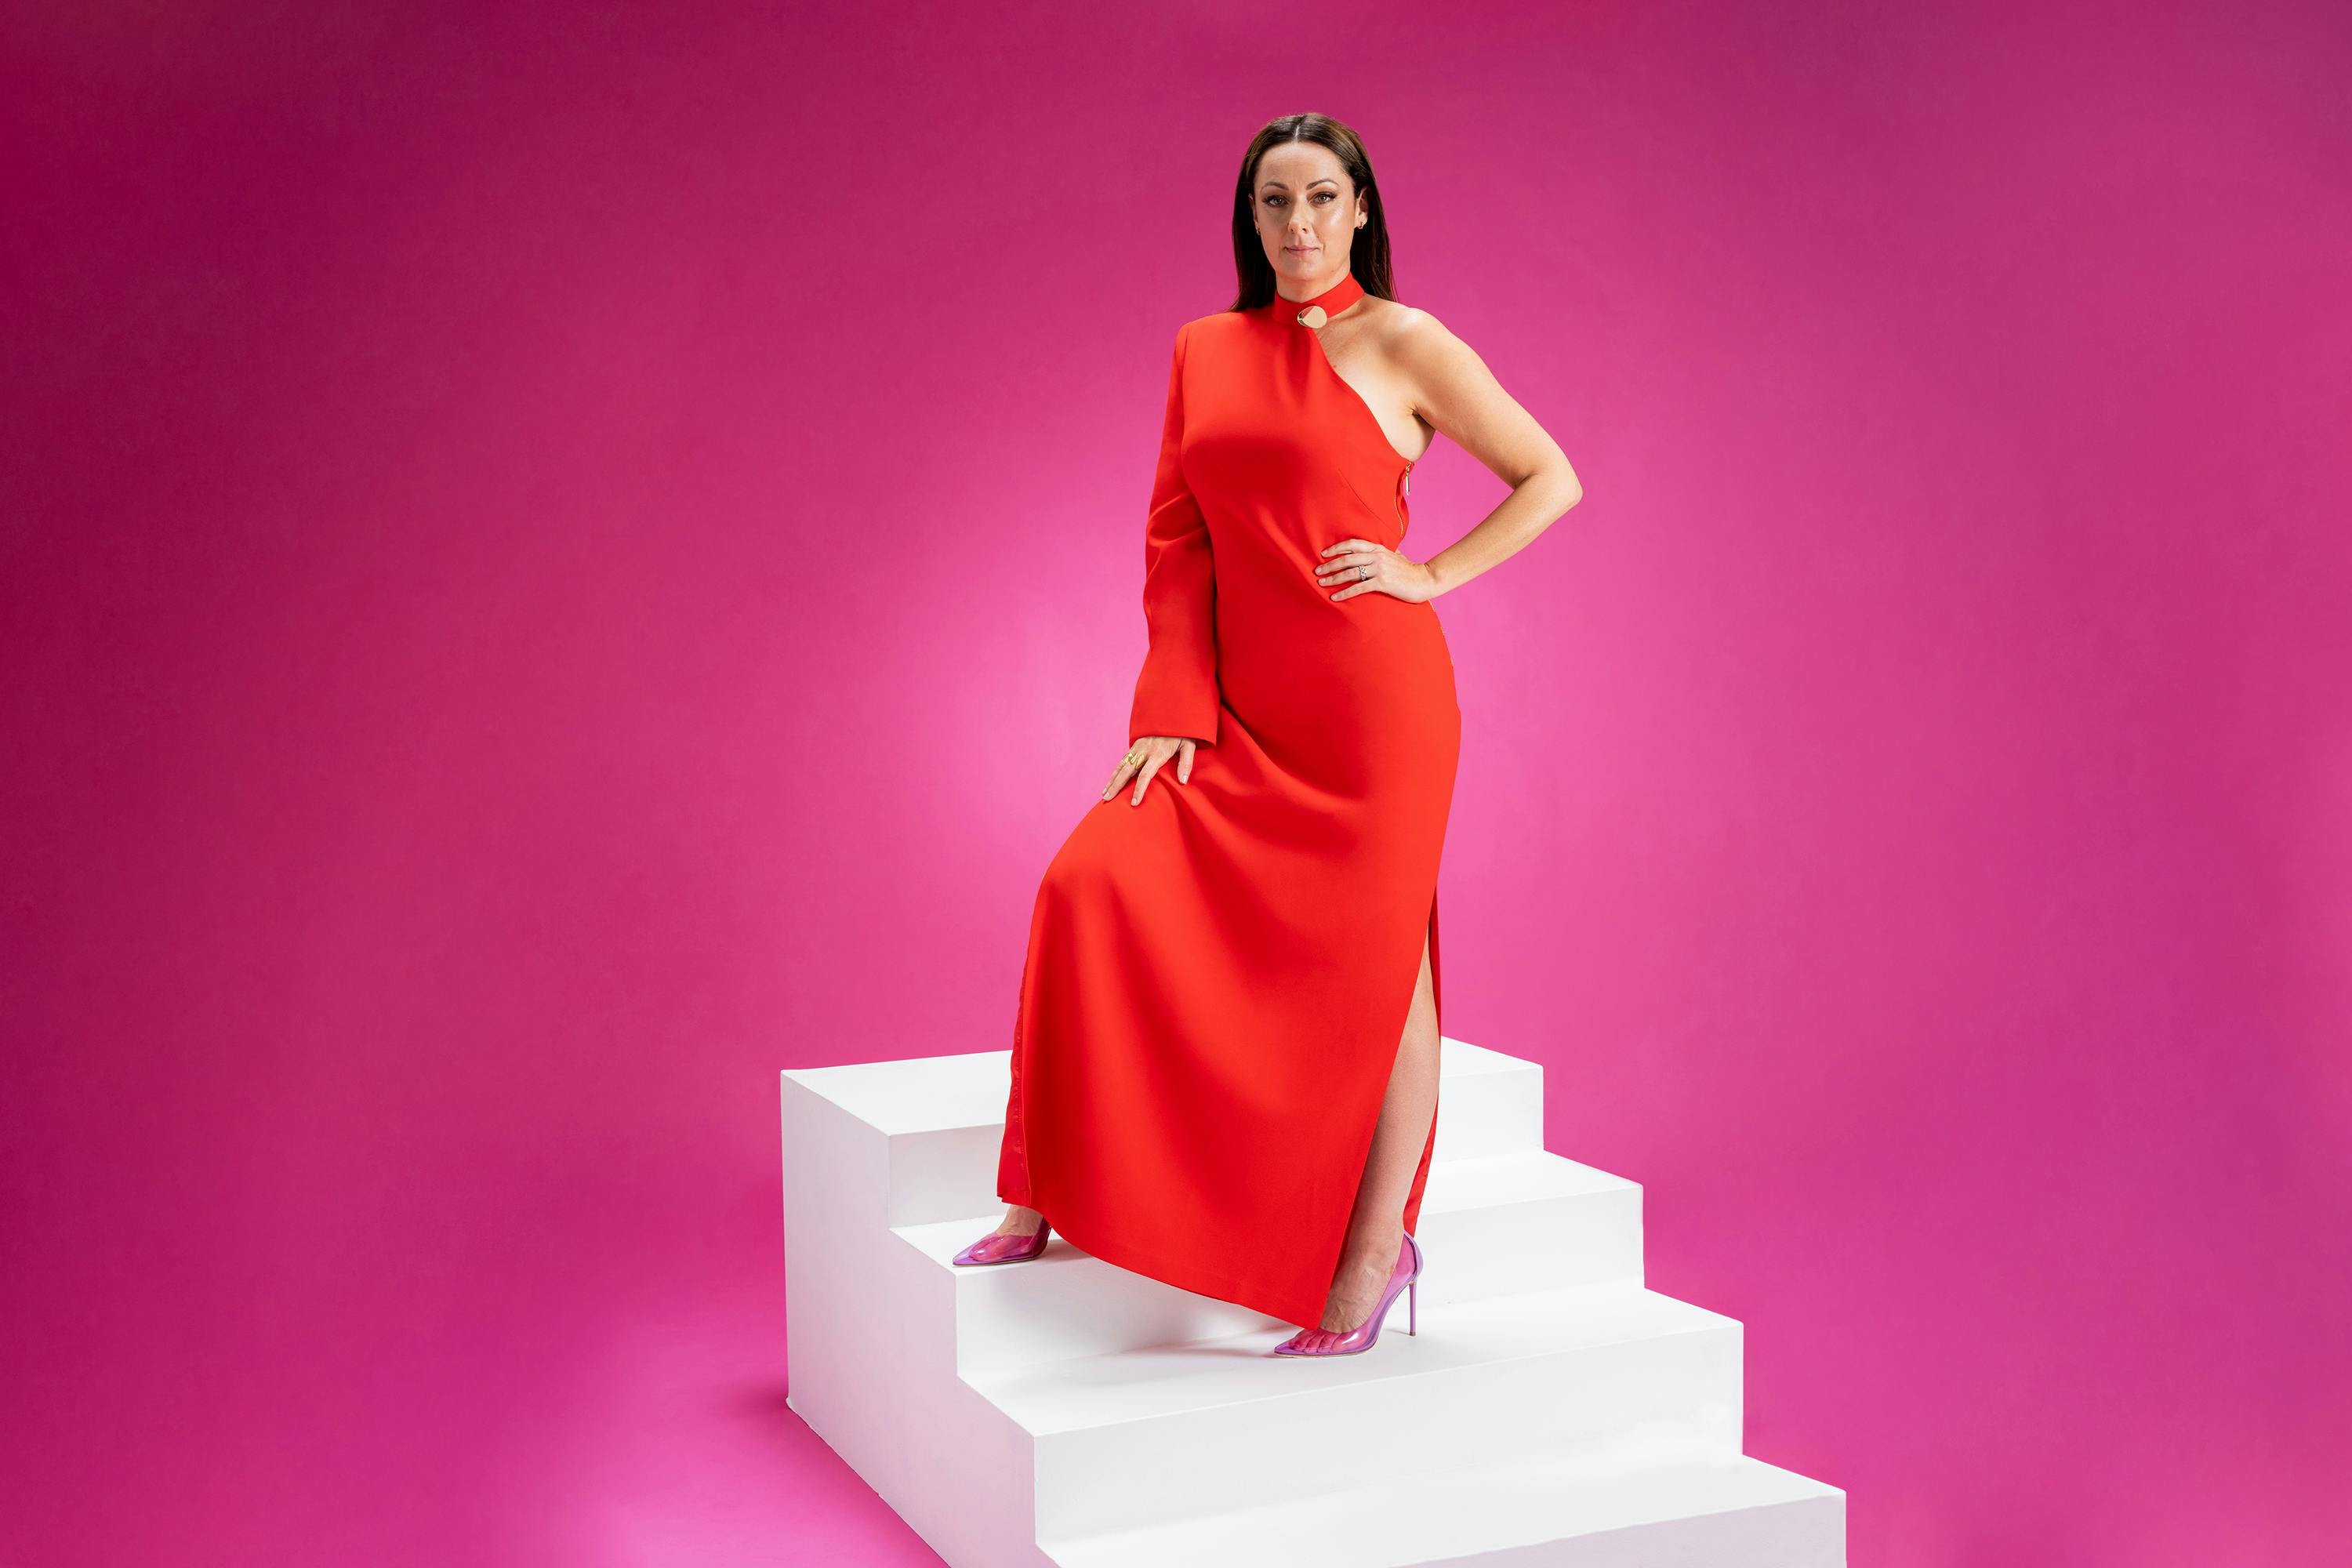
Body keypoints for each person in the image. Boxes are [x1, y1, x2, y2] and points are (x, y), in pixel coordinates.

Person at [954, 112, 1583, 1358]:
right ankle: (1044, 1191)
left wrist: (1432, 575)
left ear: (1361, 211)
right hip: (1241, 707)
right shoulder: (1206, 349)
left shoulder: (1412, 343)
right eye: (1274, 203)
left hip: (1375, 712)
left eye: (1321, 199)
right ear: (1252, 221)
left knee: (1390, 970)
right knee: (1089, 880)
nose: (1298, 224)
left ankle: (1370, 1257)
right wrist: (1173, 709)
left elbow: (1550, 475)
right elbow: (1178, 541)